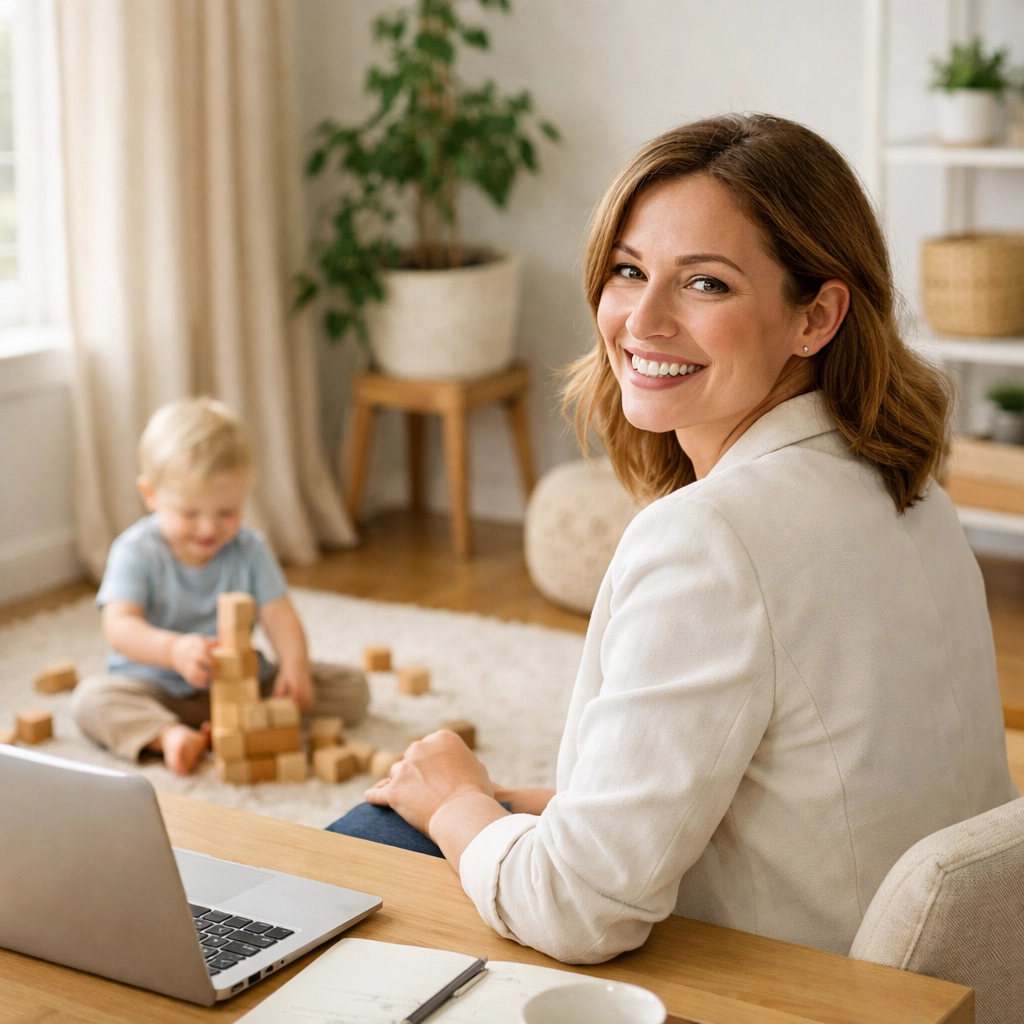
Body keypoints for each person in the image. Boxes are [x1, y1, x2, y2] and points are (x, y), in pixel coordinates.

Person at [326, 114, 1018, 963]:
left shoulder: (713, 541)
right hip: (902, 971)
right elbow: (786, 797)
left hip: (773, 994)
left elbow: (579, 912)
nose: (642, 321)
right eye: (628, 270)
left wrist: (454, 804)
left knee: (364, 841)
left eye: (706, 285)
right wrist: (520, 804)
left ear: (817, 316)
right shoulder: (911, 491)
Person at [72, 397, 369, 776]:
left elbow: (279, 616)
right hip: (155, 687)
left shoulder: (250, 549)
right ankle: (169, 735)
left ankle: (254, 726)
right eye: (190, 513)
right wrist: (174, 649)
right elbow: (120, 628)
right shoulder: (135, 552)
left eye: (227, 512)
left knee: (351, 688)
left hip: (241, 685)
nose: (209, 529)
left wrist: (295, 669)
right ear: (151, 495)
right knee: (92, 700)